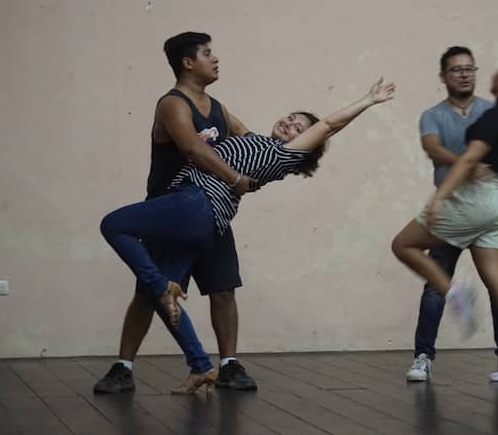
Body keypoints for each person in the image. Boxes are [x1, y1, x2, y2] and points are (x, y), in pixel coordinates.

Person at [101, 78, 396, 393]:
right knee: (164, 298)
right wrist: (195, 95)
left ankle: (216, 355)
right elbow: (227, 117)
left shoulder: (284, 154)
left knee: (116, 228)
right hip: (193, 213)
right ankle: (200, 366)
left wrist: (368, 100)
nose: (289, 123)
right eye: (290, 117)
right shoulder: (254, 141)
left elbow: (328, 126)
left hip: (196, 206)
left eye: (298, 128)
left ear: (305, 144)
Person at [93, 32, 259, 394]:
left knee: (223, 289)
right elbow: (193, 149)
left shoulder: (218, 108)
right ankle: (123, 368)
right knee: (149, 295)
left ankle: (228, 365)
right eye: (207, 54)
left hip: (211, 211)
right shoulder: (173, 104)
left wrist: (295, 148)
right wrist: (236, 179)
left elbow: (251, 141)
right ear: (188, 63)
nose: (215, 59)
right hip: (171, 214)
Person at [392, 58, 498, 382]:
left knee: (403, 245)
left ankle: (454, 292)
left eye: (483, 70)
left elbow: (469, 160)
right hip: (494, 202)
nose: (470, 74)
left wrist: (439, 198)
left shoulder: (493, 117)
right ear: (445, 75)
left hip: (469, 199)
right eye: (457, 69)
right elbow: (439, 148)